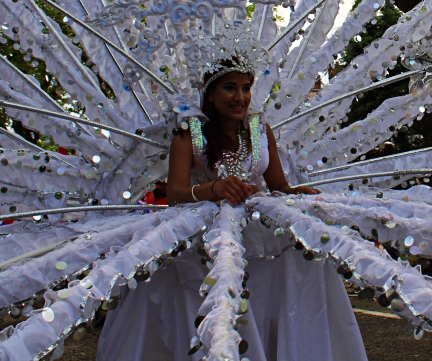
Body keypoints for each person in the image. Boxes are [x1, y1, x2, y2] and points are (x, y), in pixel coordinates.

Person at [99, 58, 368, 361]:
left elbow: (278, 184)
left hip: (261, 232)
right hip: (209, 234)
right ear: (210, 94)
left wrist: (296, 192)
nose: (240, 97)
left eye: (245, 88)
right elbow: (175, 194)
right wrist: (213, 189)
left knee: (299, 273)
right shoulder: (190, 133)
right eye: (230, 88)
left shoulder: (259, 130)